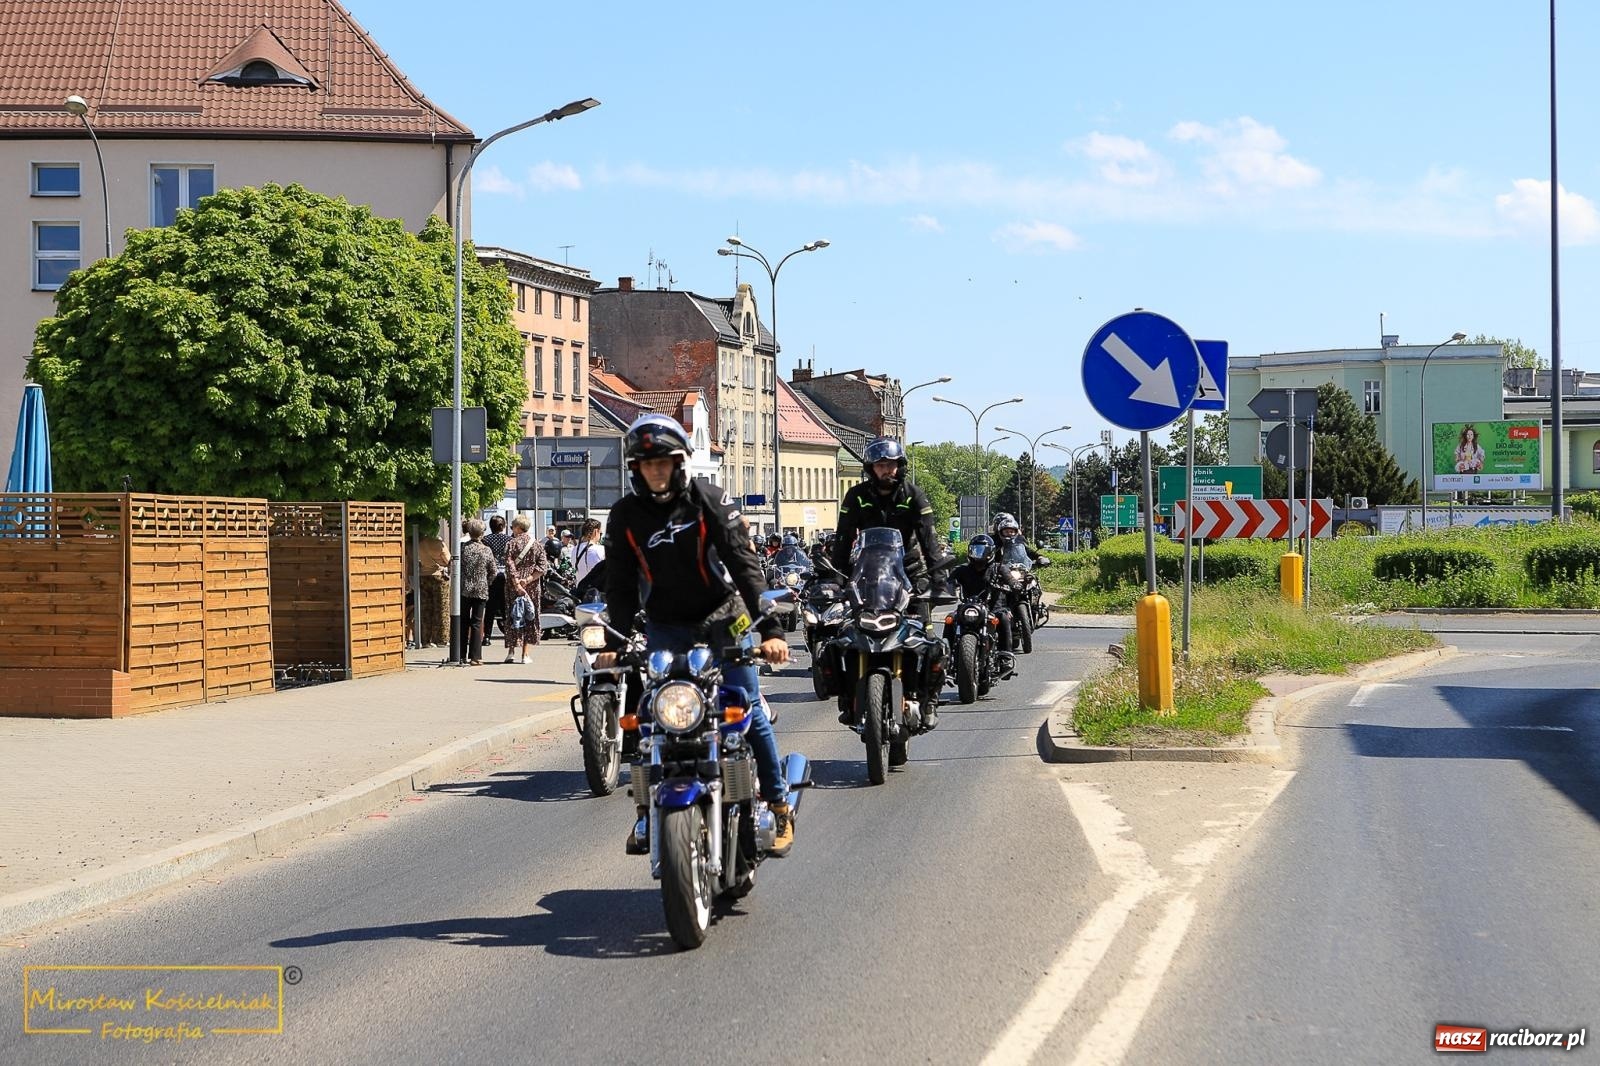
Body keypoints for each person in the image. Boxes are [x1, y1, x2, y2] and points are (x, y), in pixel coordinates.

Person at [594, 414, 796, 858]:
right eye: (647, 464)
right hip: (666, 624)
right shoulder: (625, 515)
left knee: (745, 708)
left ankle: (779, 803)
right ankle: (647, 810)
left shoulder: (709, 500)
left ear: (679, 462)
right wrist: (614, 645)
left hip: (727, 617)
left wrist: (772, 631)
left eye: (664, 462)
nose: (656, 470)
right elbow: (621, 586)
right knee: (655, 718)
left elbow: (744, 566)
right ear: (635, 469)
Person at [832, 436, 949, 727]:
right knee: (840, 640)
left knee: (930, 641)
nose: (887, 471)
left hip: (909, 573)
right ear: (871, 468)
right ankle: (847, 698)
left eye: (892, 465)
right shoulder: (856, 496)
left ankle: (929, 700)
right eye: (881, 465)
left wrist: (939, 579)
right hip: (868, 575)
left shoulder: (913, 496)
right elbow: (843, 539)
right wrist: (834, 579)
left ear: (901, 466)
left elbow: (929, 540)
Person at [949, 533, 1014, 675]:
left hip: (993, 608)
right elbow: (949, 581)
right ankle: (946, 656)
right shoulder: (962, 570)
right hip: (969, 606)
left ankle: (1005, 656)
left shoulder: (999, 568)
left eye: (982, 551)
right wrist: (945, 586)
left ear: (990, 552)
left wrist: (1014, 585)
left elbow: (1011, 580)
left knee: (1003, 617)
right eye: (975, 550)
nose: (979, 555)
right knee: (950, 619)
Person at [503, 515, 549, 664]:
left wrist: (517, 583)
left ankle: (511, 652)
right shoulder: (536, 545)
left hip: (512, 586)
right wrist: (528, 580)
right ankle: (525, 654)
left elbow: (510, 566)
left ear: (517, 528)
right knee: (529, 616)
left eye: (512, 527)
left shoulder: (511, 544)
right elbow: (543, 567)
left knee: (513, 615)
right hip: (532, 586)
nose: (512, 530)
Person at [459, 519, 495, 665]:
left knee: (462, 621)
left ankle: (460, 655)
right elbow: (493, 571)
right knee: (477, 622)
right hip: (481, 589)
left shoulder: (462, 548)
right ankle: (475, 656)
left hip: (464, 589)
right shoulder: (486, 550)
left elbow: (453, 566)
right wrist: (487, 582)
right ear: (482, 533)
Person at [483, 515, 512, 640]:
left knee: (490, 607)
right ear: (503, 526)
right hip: (506, 575)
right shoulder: (509, 540)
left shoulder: (485, 540)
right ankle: (509, 634)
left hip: (491, 576)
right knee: (506, 606)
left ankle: (487, 636)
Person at [571, 518, 605, 589]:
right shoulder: (600, 550)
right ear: (596, 532)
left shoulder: (574, 550)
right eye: (600, 533)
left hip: (580, 592)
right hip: (596, 595)